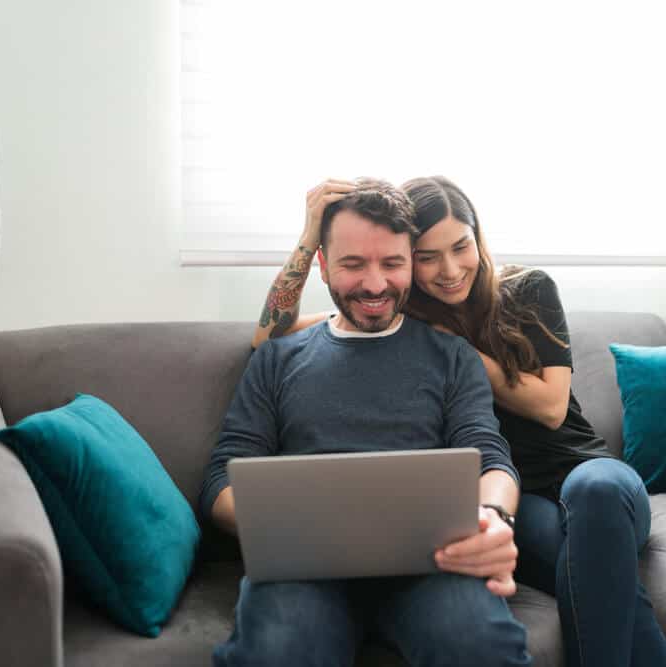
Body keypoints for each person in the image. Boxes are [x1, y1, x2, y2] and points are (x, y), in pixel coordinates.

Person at [253, 177, 666, 667]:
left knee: (595, 498)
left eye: (461, 246)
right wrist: (309, 238)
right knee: (593, 569)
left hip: (589, 477)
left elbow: (550, 406)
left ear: (479, 238)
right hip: (520, 503)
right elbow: (270, 336)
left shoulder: (528, 290)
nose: (450, 270)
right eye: (428, 256)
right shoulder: (400, 307)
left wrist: (454, 346)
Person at [203, 179, 532, 667]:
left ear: (411, 264)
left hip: (433, 567)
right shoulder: (277, 359)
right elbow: (220, 480)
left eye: (392, 264)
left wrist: (494, 517)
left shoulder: (452, 357)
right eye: (353, 265)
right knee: (279, 649)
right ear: (323, 266)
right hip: (302, 571)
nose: (375, 285)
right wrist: (289, 524)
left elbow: (491, 458)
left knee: (479, 644)